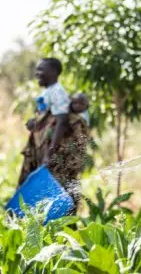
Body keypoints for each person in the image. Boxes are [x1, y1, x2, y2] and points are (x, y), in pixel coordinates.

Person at [18, 58, 89, 214]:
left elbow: (61, 122)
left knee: (57, 189)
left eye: (41, 70)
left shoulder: (57, 92)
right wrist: (35, 123)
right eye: (37, 70)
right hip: (42, 147)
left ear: (54, 72)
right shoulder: (48, 91)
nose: (37, 74)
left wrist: (49, 153)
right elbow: (47, 118)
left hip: (52, 150)